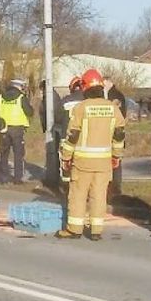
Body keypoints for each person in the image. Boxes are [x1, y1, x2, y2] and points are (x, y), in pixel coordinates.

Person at [57, 68, 125, 241]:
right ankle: (96, 230)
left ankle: (74, 229)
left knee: (78, 195)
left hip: (82, 162)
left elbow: (72, 136)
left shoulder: (81, 108)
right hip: (104, 163)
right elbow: (119, 135)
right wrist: (116, 156)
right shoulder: (113, 108)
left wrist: (65, 157)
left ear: (85, 87)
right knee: (99, 195)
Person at [0, 79, 33, 185]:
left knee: (4, 154)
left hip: (4, 129)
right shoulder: (21, 98)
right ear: (19, 87)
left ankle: (3, 178)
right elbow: (29, 112)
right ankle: (18, 178)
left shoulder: (0, 98)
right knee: (18, 154)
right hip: (17, 129)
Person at [104, 80, 129, 199]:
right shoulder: (118, 95)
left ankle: (114, 189)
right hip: (116, 133)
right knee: (115, 162)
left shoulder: (114, 96)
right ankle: (113, 188)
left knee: (115, 163)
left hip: (114, 133)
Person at [40, 79, 66, 192]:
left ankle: (54, 178)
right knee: (53, 153)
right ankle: (53, 176)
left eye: (41, 90)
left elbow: (54, 113)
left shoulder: (51, 98)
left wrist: (49, 126)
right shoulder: (50, 96)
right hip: (54, 128)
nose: (41, 92)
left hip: (55, 128)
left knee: (54, 153)